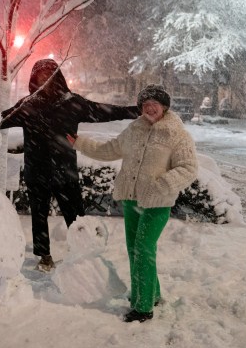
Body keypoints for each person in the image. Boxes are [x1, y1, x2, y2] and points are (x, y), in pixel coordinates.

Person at [67, 84, 198, 322]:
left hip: (157, 202)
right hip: (131, 199)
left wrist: (162, 185)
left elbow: (188, 168)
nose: (149, 108)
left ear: (164, 107)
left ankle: (143, 307)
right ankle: (150, 293)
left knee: (143, 249)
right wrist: (79, 143)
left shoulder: (176, 134)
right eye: (145, 105)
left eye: (154, 105)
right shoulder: (133, 130)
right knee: (134, 250)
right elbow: (109, 150)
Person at [0, 59, 140, 272]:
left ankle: (82, 252)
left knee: (75, 215)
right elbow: (0, 120)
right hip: (36, 170)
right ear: (34, 78)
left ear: (57, 77)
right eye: (40, 76)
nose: (44, 79)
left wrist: (136, 111)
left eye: (49, 75)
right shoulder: (28, 104)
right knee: (39, 215)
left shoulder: (72, 103)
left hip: (64, 171)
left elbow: (105, 111)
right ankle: (44, 256)